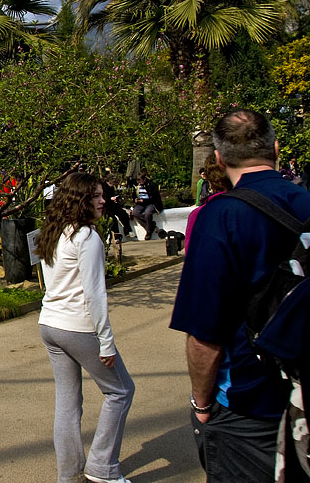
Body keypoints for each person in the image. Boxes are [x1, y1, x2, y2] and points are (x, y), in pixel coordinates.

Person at [171, 109, 310, 482]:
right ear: (276, 149)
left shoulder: (222, 216)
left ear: (218, 157)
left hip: (250, 404)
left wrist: (201, 404)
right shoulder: (306, 202)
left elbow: (205, 333)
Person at [35, 172, 135, 483]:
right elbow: (95, 293)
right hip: (77, 327)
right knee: (121, 390)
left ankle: (69, 474)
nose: (103, 200)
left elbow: (52, 283)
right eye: (95, 196)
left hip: (49, 324)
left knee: (67, 401)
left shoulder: (54, 231)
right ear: (79, 200)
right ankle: (102, 468)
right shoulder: (87, 237)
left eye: (102, 194)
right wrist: (106, 341)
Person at [129, 169, 163, 240]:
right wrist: (135, 199)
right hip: (140, 203)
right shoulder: (136, 186)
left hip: (151, 203)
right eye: (137, 180)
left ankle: (149, 232)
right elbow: (134, 195)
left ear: (144, 179)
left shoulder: (152, 185)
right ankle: (151, 226)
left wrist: (144, 200)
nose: (138, 182)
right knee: (135, 213)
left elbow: (154, 198)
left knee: (148, 213)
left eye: (140, 180)